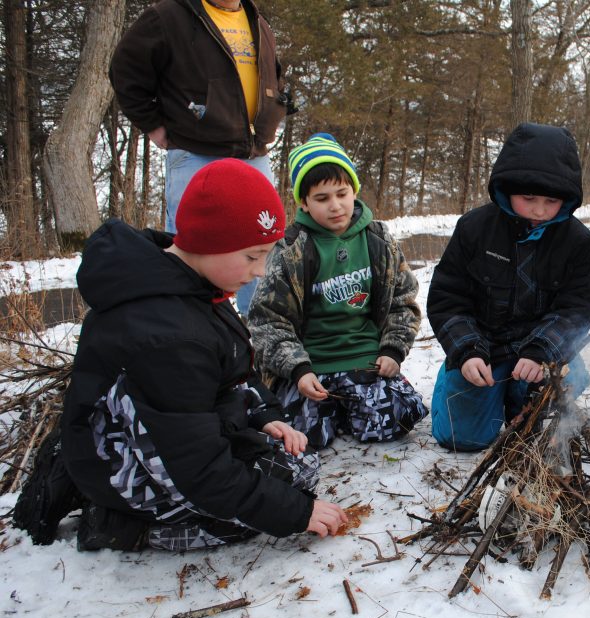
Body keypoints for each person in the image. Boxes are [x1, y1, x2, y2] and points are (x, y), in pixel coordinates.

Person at [48, 159, 347, 551]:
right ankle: (122, 527)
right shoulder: (165, 333)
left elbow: (234, 369)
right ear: (210, 241)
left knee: (298, 469)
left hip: (176, 434)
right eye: (252, 256)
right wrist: (296, 514)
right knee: (250, 516)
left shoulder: (197, 283)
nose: (260, 271)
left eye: (266, 255)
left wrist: (265, 415)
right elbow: (198, 470)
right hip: (118, 468)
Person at [109, 0, 290, 314]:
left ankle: (259, 335)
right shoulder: (168, 16)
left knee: (263, 248)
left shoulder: (256, 19)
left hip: (253, 152)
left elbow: (271, 77)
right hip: (196, 151)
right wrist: (153, 125)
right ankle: (186, 331)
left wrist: (273, 111)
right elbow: (124, 70)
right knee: (191, 249)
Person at [248, 133, 427, 449]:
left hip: (365, 360)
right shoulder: (291, 251)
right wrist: (298, 369)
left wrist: (392, 350)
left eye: (342, 194)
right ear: (303, 202)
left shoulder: (379, 240)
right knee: (302, 437)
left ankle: (351, 407)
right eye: (322, 198)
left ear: (354, 190)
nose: (335, 206)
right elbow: (268, 322)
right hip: (312, 367)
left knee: (398, 419)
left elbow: (404, 302)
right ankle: (329, 409)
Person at [427, 123, 590, 451]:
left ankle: (516, 395)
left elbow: (576, 307)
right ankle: (457, 380)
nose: (538, 210)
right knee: (462, 437)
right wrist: (466, 350)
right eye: (529, 198)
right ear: (506, 190)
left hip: (538, 354)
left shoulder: (576, 240)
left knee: (543, 422)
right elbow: (448, 299)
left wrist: (542, 350)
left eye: (551, 201)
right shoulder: (474, 229)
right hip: (484, 351)